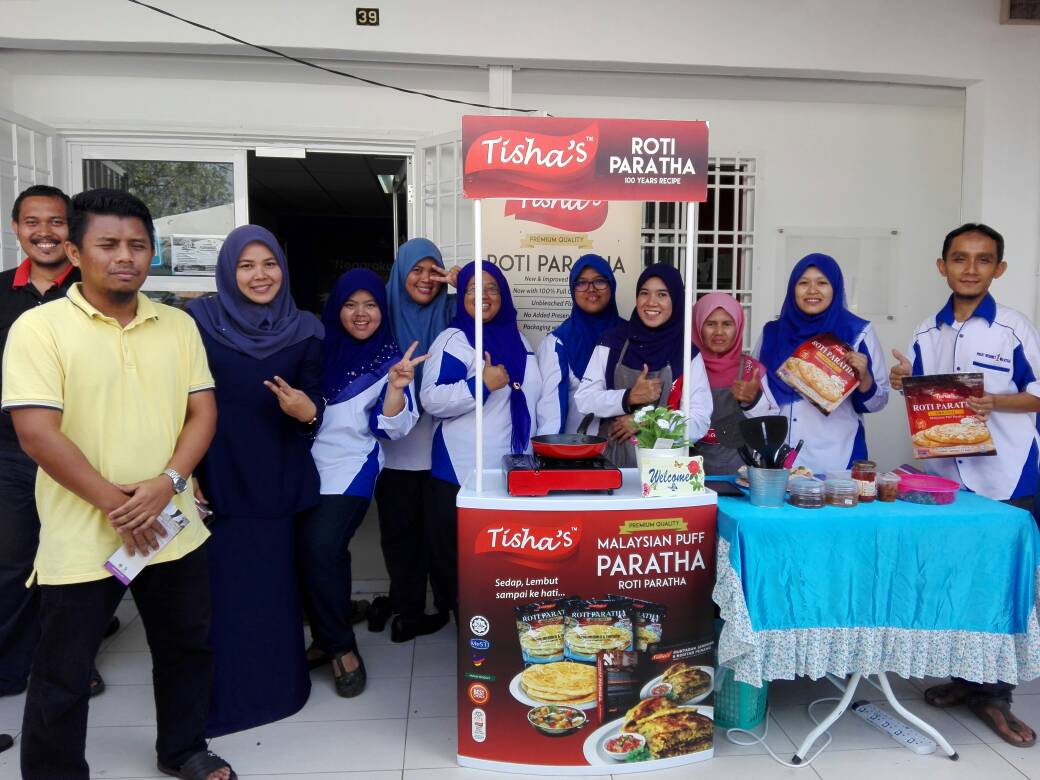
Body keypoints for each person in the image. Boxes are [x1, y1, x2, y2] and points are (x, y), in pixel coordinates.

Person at [1, 188, 234, 780]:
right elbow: (36, 433)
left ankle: (183, 749)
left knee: (185, 646)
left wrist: (168, 482)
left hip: (171, 526)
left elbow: (202, 412)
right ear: (76, 253)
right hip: (82, 533)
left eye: (138, 245)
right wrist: (118, 504)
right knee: (63, 668)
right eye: (108, 244)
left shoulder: (177, 325)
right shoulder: (39, 328)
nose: (125, 256)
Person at [890, 223, 1038, 749]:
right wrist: (903, 383)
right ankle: (964, 678)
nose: (970, 268)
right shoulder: (925, 331)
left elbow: (1038, 394)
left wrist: (996, 402)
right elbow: (925, 396)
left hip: (1008, 477)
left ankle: (995, 695)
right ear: (942, 266)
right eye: (959, 258)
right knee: (952, 578)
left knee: (999, 585)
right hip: (947, 479)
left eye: (983, 259)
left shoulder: (1014, 329)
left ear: (999, 268)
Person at [188, 225, 324, 737]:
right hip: (217, 475)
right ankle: (226, 697)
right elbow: (177, 401)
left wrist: (308, 411)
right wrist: (184, 472)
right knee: (223, 593)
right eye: (246, 265)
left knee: (275, 589)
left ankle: (280, 690)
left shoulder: (306, 327)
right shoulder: (197, 323)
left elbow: (315, 400)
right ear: (228, 271)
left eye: (269, 264)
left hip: (279, 476)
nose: (259, 275)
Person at [0, 185, 113, 703]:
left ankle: (73, 661)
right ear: (16, 229)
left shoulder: (97, 291)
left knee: (84, 562)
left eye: (56, 221)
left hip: (85, 453)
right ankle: (11, 668)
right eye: (32, 222)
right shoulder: (3, 294)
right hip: (13, 454)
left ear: (73, 234)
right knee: (14, 563)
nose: (43, 232)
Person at [300, 269, 422, 697]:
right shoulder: (316, 350)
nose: (361, 313)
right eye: (350, 304)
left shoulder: (393, 360)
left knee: (322, 548)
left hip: (351, 467)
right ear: (336, 308)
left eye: (370, 304)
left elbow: (393, 428)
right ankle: (326, 632)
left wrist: (396, 388)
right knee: (308, 554)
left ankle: (341, 648)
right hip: (301, 467)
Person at [421, 261, 547, 617]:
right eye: (474, 288)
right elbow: (432, 398)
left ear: (503, 294)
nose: (484, 296)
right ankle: (466, 624)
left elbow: (532, 397)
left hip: (512, 471)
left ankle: (499, 620)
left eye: (492, 288)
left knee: (504, 554)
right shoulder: (454, 340)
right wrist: (481, 385)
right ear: (462, 296)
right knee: (460, 557)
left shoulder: (520, 340)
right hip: (460, 470)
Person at [375, 238, 457, 642]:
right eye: (416, 270)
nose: (426, 279)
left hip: (445, 454)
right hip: (394, 453)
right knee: (401, 538)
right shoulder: (381, 317)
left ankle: (447, 605)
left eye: (433, 270)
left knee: (442, 539)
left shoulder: (454, 313)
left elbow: (488, 311)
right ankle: (407, 612)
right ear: (400, 273)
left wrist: (462, 282)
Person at [753, 254, 889, 473]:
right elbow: (759, 396)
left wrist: (864, 379)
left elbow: (878, 403)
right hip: (777, 461)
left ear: (835, 287)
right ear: (793, 288)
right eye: (803, 283)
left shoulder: (858, 332)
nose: (812, 290)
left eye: (822, 283)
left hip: (837, 460)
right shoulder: (772, 333)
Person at [574, 263, 712, 467]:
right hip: (611, 465)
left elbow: (699, 421)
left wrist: (647, 421)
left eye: (662, 294)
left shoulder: (687, 353)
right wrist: (627, 397)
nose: (651, 302)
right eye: (644, 293)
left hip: (666, 471)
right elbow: (584, 400)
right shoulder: (612, 343)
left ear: (676, 300)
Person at [685, 293, 778, 475]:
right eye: (710, 324)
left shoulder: (752, 370)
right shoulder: (687, 369)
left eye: (727, 324)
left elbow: (770, 428)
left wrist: (753, 401)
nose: (719, 332)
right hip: (687, 477)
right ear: (697, 326)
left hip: (739, 479)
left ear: (738, 326)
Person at [536, 254, 625, 435]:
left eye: (599, 281)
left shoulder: (631, 336)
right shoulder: (558, 342)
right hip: (577, 448)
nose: (591, 289)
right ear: (572, 289)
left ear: (611, 285)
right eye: (581, 283)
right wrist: (550, 449)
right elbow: (551, 412)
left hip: (627, 449)